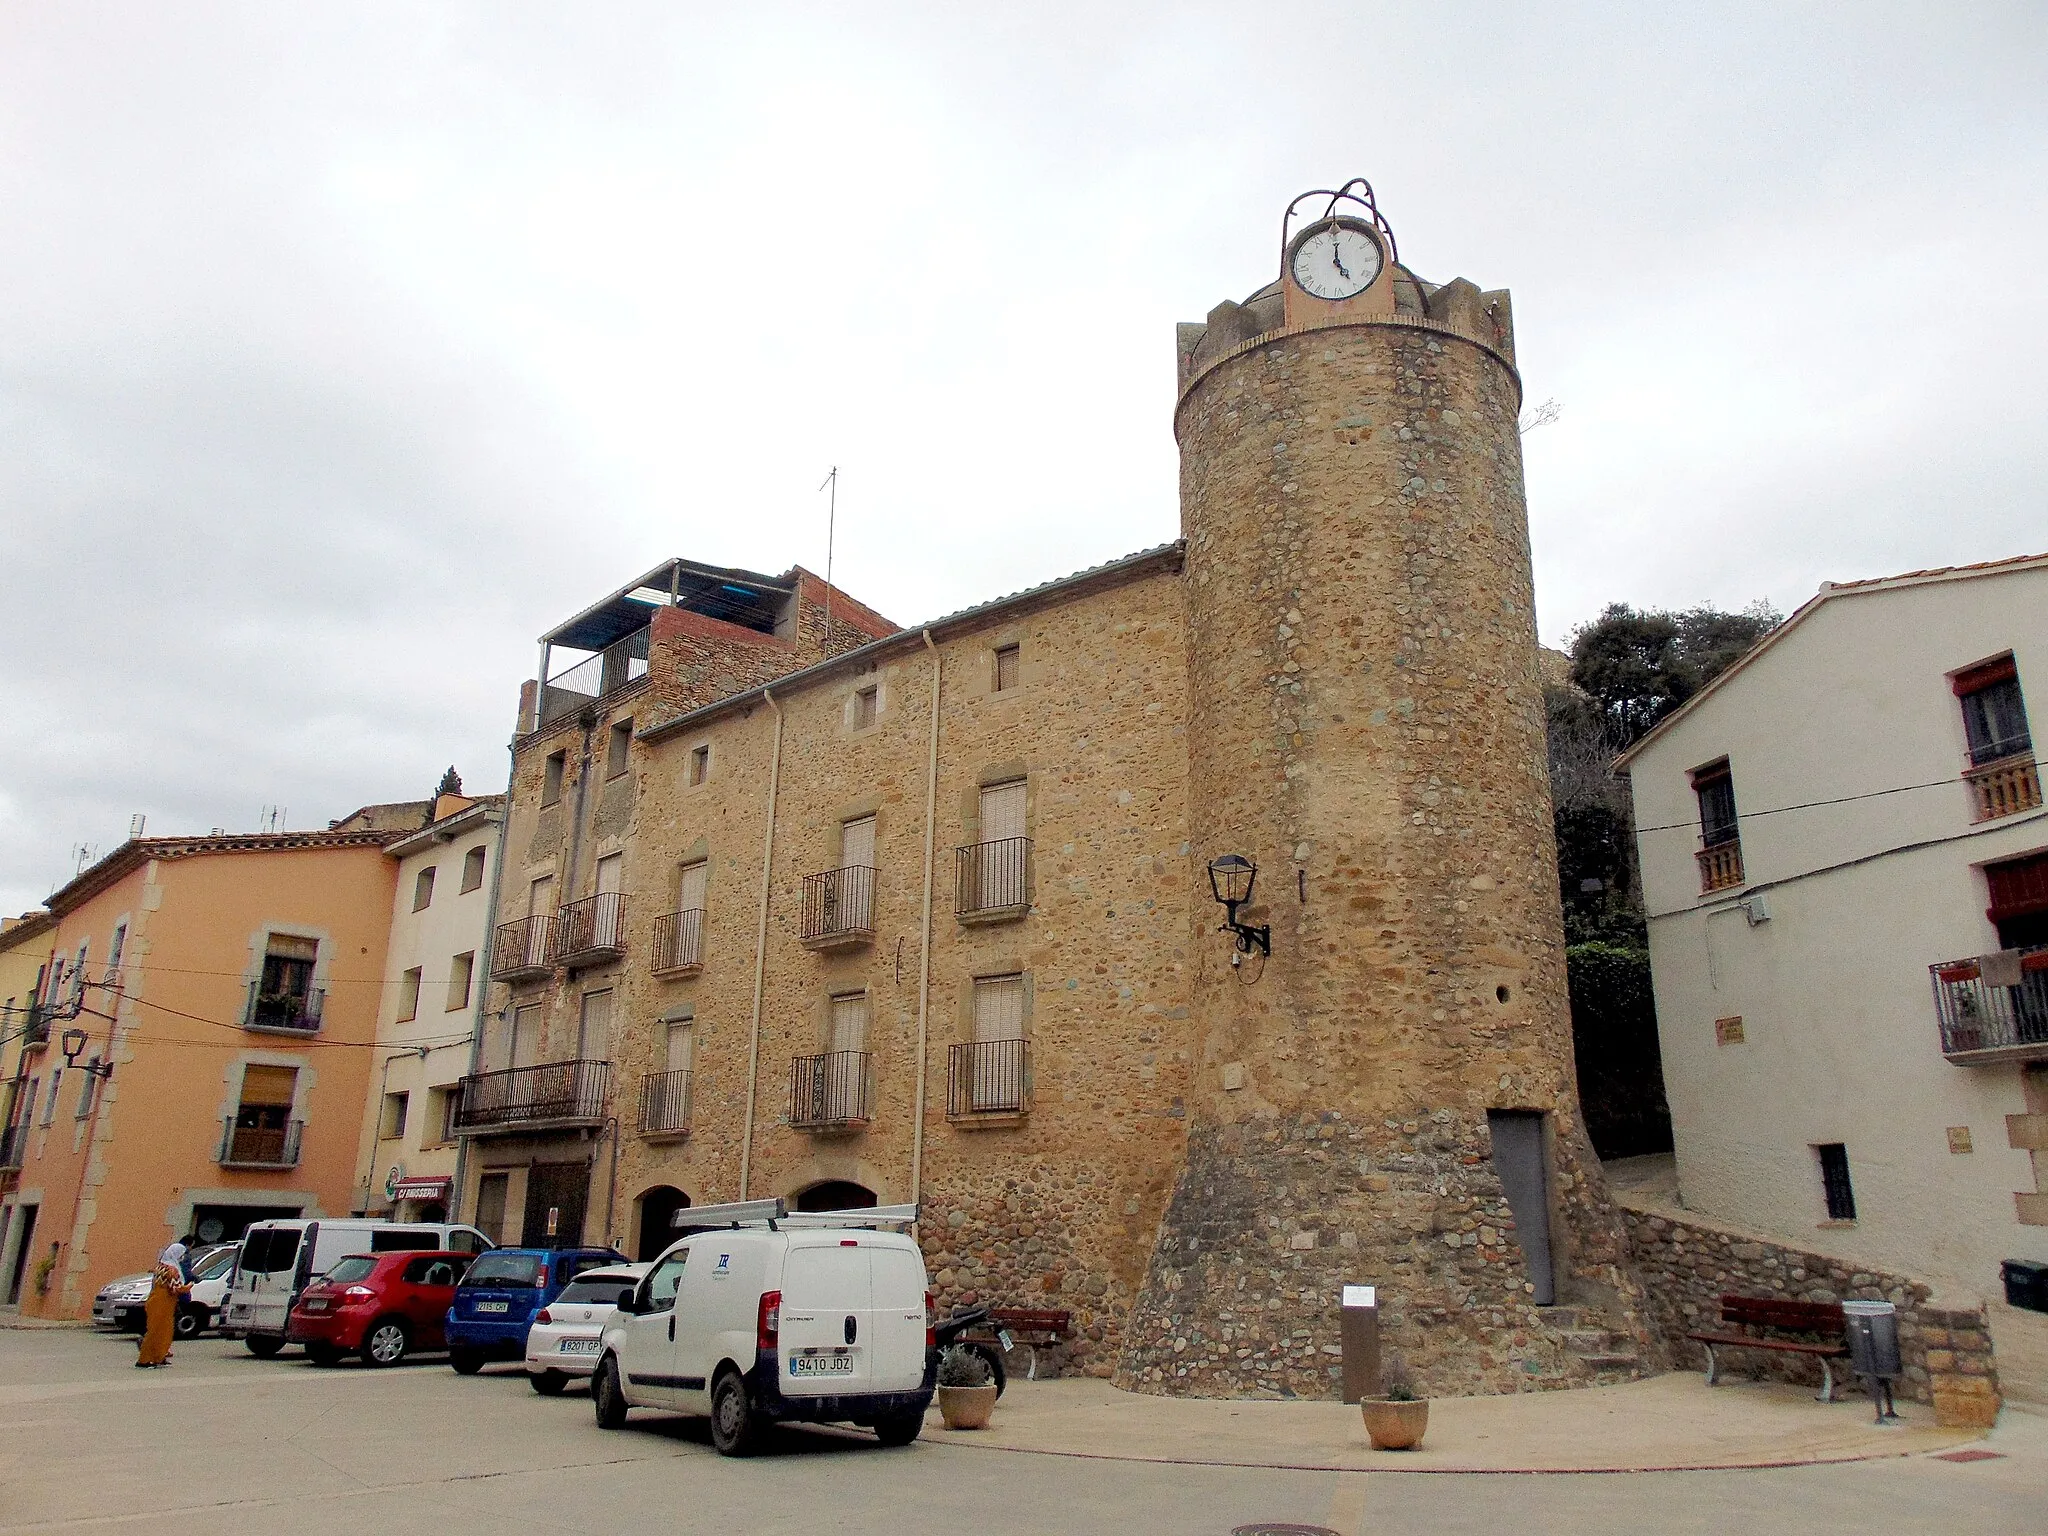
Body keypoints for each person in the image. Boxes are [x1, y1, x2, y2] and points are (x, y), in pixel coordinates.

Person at [135, 1240, 191, 1368]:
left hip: (158, 1301)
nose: (182, 1257)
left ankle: (158, 1357)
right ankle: (144, 1360)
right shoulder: (172, 1269)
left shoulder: (161, 1265)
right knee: (157, 1331)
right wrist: (187, 1287)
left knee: (163, 1330)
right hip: (163, 1302)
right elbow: (174, 1288)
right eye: (181, 1254)